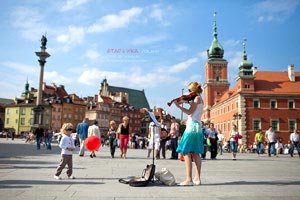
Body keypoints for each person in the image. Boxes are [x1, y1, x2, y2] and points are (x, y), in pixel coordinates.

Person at [174, 82, 204, 186]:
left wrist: (178, 106)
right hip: (198, 127)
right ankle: (197, 178)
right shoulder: (200, 99)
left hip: (191, 127)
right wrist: (186, 102)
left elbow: (189, 112)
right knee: (196, 153)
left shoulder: (196, 99)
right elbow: (194, 110)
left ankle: (188, 179)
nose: (189, 93)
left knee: (186, 152)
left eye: (189, 90)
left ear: (193, 90)